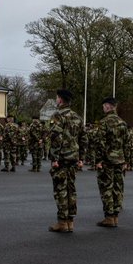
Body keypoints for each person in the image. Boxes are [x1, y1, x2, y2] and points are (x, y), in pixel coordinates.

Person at [47, 89, 83, 233]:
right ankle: (70, 221)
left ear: (60, 100)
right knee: (71, 189)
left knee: (60, 189)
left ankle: (62, 221)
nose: (56, 100)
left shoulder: (58, 115)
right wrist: (81, 158)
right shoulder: (77, 117)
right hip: (73, 158)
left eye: (57, 98)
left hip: (62, 158)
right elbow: (83, 138)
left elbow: (56, 137)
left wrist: (54, 158)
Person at [95, 96, 129, 228]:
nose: (103, 109)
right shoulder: (122, 123)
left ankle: (109, 217)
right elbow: (126, 143)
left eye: (104, 106)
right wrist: (126, 160)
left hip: (108, 160)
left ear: (108, 106)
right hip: (120, 159)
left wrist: (98, 160)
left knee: (107, 188)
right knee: (118, 188)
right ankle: (115, 216)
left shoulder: (104, 122)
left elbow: (100, 143)